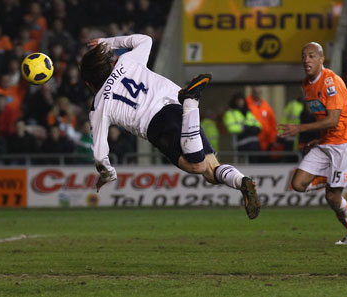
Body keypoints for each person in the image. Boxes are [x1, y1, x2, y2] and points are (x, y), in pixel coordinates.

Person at [80, 34, 260, 219]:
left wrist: (107, 174)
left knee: (196, 166)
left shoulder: (99, 105)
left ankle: (192, 102)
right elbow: (144, 40)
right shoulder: (126, 61)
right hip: (176, 103)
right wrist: (107, 42)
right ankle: (241, 181)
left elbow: (100, 152)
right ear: (109, 64)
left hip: (157, 122)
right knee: (210, 169)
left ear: (88, 84)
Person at [279, 42, 347, 245]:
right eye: (304, 56)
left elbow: (333, 120)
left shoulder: (331, 82)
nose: (306, 60)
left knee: (333, 198)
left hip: (346, 140)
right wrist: (317, 139)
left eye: (311, 56)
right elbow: (323, 118)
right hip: (327, 141)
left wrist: (299, 129)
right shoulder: (306, 85)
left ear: (321, 59)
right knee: (298, 184)